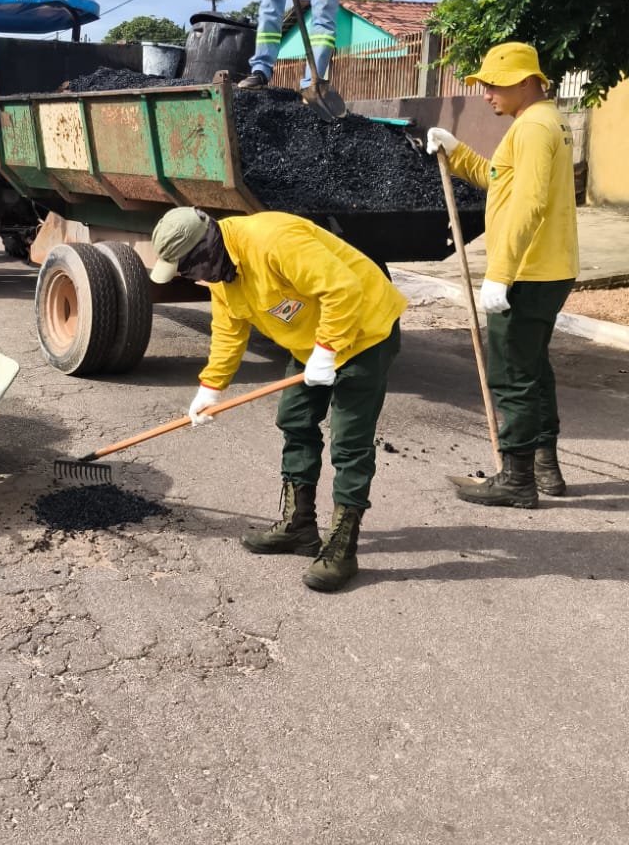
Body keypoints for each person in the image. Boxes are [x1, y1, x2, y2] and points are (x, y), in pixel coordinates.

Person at [150, 207, 405, 592]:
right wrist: (211, 388)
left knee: (349, 441)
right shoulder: (220, 271)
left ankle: (342, 548)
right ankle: (300, 526)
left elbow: (344, 289)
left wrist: (326, 348)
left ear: (205, 250)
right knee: (295, 419)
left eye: (188, 269)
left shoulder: (273, 242)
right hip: (312, 341)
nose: (189, 278)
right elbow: (229, 329)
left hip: (365, 330)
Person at [426, 42, 579, 508]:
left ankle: (516, 479)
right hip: (549, 267)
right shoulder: (540, 122)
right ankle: (544, 466)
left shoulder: (533, 128)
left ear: (526, 81)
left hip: (529, 270)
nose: (486, 93)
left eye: (494, 84)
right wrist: (456, 152)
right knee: (532, 367)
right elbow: (500, 177)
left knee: (512, 374)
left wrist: (502, 273)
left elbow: (529, 203)